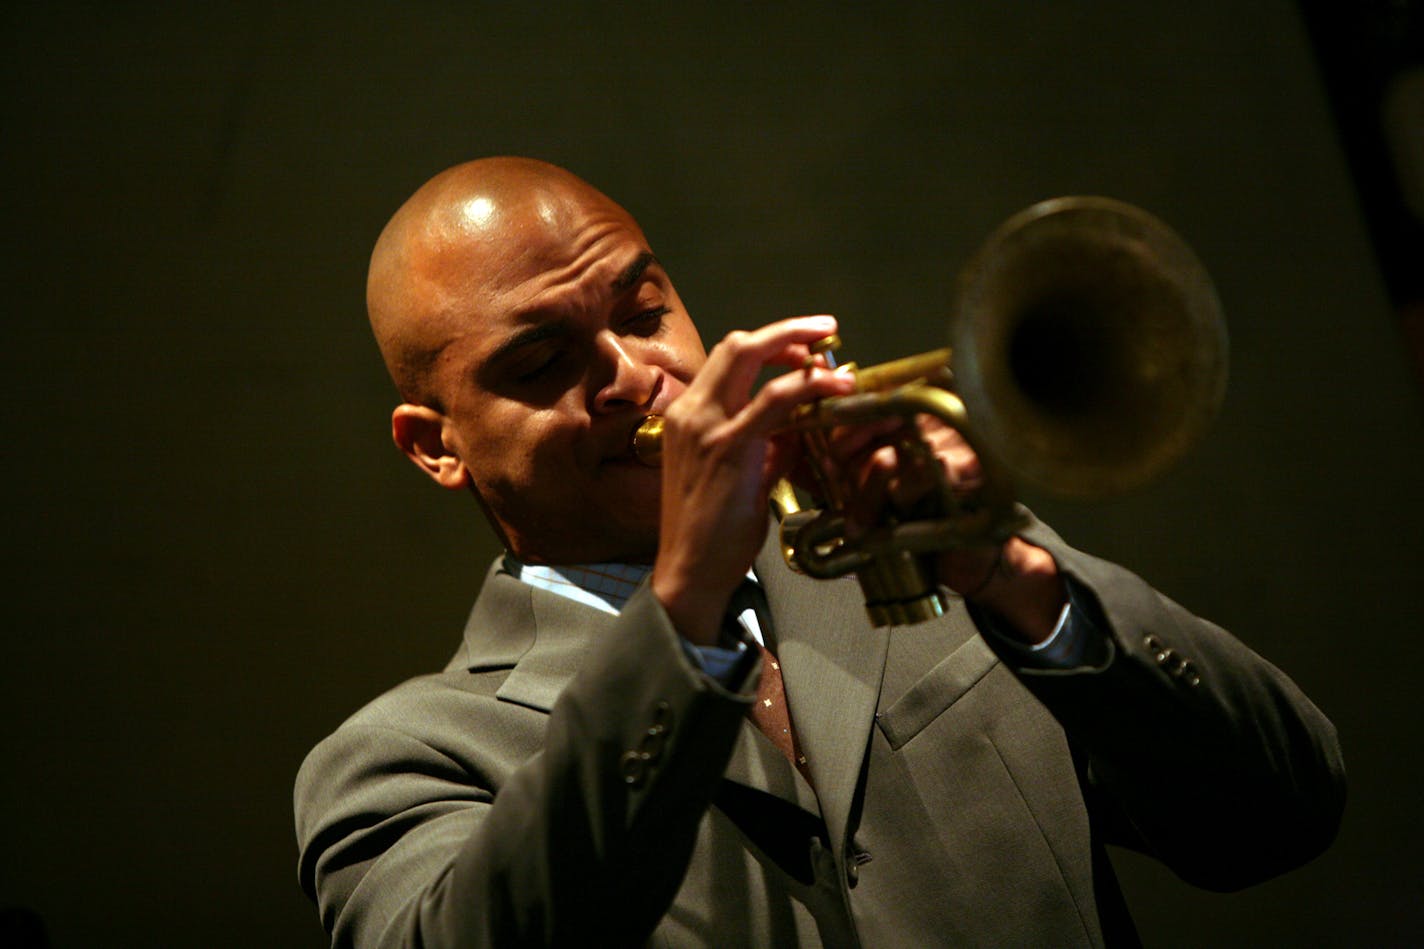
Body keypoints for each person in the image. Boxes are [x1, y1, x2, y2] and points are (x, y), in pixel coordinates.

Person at [294, 157, 1344, 947]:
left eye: (644, 312)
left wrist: (1013, 576)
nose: (634, 375)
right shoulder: (398, 760)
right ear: (436, 446)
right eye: (540, 360)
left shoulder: (944, 570)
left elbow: (1279, 817)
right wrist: (686, 604)